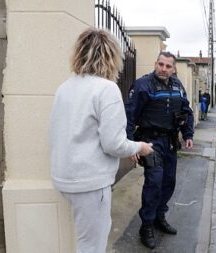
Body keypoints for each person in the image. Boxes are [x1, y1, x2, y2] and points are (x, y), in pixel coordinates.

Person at [49, 28, 154, 253]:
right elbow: (114, 144)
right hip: (90, 182)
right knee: (92, 245)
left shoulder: (64, 88)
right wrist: (141, 147)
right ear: (111, 55)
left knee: (86, 240)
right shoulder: (106, 89)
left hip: (64, 176)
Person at [125, 51, 194, 249]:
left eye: (168, 66)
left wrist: (188, 134)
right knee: (154, 182)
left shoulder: (177, 86)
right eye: (160, 64)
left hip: (170, 142)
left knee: (169, 181)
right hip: (150, 143)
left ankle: (159, 216)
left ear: (174, 69)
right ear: (156, 64)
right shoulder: (142, 85)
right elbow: (129, 117)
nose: (163, 69)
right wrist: (131, 145)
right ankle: (146, 225)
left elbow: (186, 111)